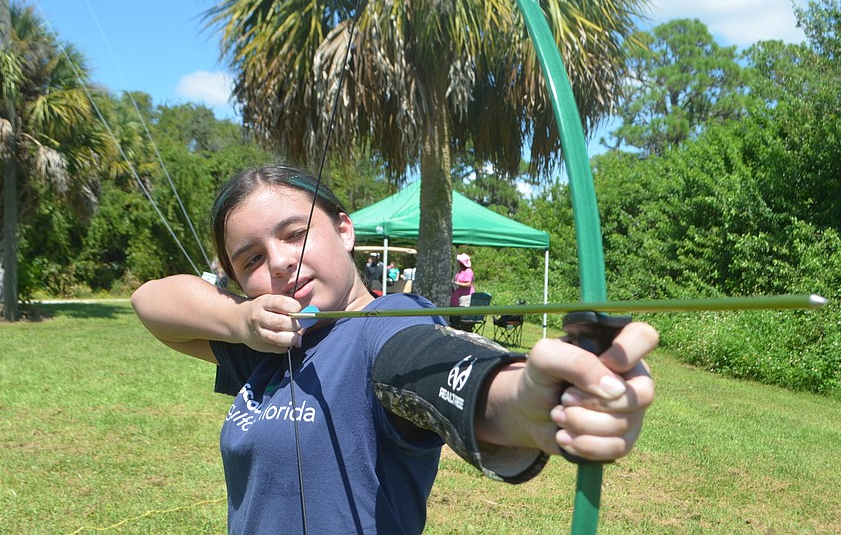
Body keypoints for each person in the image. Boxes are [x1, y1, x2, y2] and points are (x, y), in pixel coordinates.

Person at [130, 164, 658, 534]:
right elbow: (150, 302)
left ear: (344, 230)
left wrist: (523, 401)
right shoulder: (266, 344)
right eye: (251, 260)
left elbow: (425, 364)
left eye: (296, 233)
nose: (280, 263)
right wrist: (237, 320)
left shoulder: (386, 323)